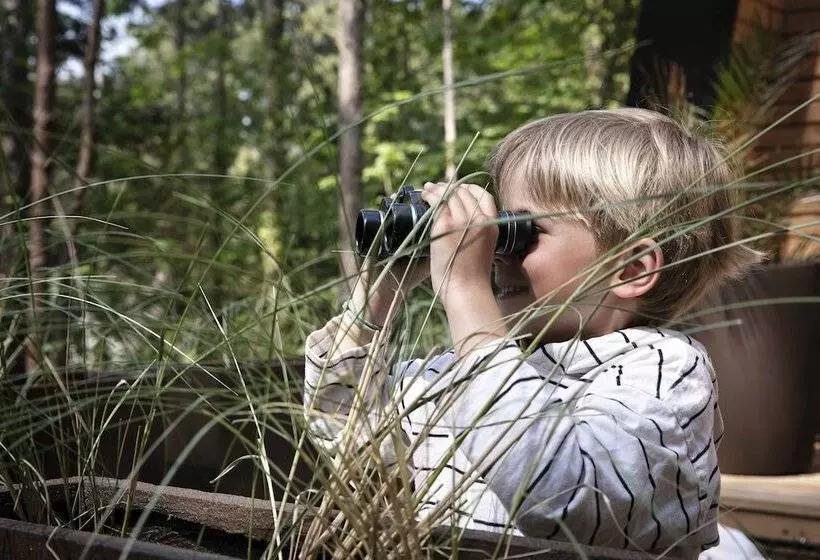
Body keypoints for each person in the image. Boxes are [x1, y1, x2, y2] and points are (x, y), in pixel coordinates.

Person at [303, 108, 759, 557]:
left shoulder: (663, 372)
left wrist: (465, 290)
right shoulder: (475, 367)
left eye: (521, 232)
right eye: (498, 229)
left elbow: (562, 499)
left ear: (631, 268)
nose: (497, 254)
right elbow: (345, 428)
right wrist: (381, 291)